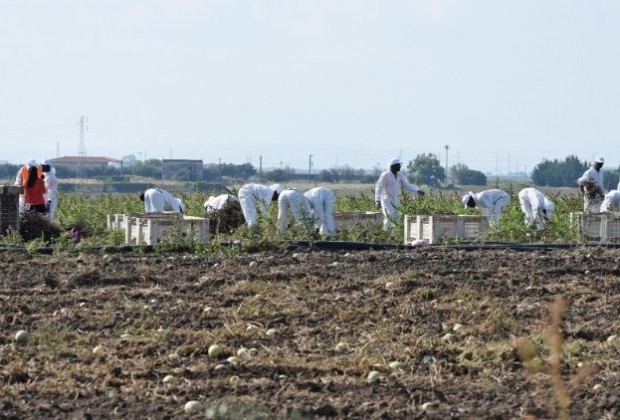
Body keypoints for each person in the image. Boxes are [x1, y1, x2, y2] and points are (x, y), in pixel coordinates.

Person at [375, 158, 424, 230]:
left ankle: (394, 235)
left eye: (399, 165)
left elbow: (407, 185)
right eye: (397, 165)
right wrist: (377, 200)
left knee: (397, 217)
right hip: (386, 199)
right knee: (389, 215)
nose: (399, 167)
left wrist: (417, 190)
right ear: (392, 166)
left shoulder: (400, 175)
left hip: (396, 199)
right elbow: (379, 188)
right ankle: (385, 232)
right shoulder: (385, 175)